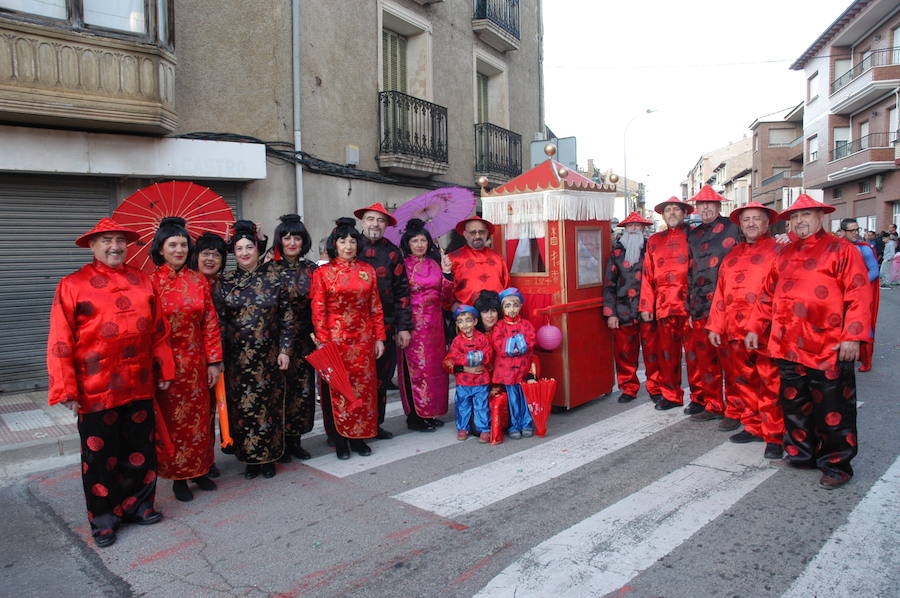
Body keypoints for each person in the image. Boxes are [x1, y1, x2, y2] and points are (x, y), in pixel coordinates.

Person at [47, 218, 175, 548]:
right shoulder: (72, 285)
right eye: (107, 240)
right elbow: (60, 340)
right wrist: (66, 388)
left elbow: (160, 331)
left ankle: (139, 506)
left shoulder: (143, 281)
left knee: (140, 452)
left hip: (139, 384)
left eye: (120, 240)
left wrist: (165, 370)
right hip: (95, 389)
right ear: (93, 245)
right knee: (99, 460)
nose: (114, 246)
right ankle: (104, 519)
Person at [745, 195, 871, 489]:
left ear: (820, 216)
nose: (800, 222)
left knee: (833, 407)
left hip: (828, 345)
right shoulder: (783, 253)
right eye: (795, 217)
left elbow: (858, 293)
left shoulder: (842, 250)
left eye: (807, 215)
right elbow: (766, 296)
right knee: (794, 404)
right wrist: (755, 327)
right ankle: (801, 454)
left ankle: (836, 465)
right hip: (787, 342)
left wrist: (852, 336)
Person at [148, 218, 223, 502]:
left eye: (183, 244)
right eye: (173, 245)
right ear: (161, 249)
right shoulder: (151, 283)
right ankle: (179, 476)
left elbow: (209, 323)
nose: (179, 250)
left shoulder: (198, 280)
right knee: (174, 423)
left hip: (197, 362)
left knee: (202, 420)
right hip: (166, 365)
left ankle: (201, 469)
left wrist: (214, 362)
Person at [215, 220, 295, 480]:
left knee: (269, 407)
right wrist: (218, 358)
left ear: (258, 249)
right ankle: (250, 459)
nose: (245, 252)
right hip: (236, 358)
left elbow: (287, 317)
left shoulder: (274, 279)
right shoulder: (225, 281)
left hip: (269, 356)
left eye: (250, 247)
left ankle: (270, 456)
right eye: (240, 249)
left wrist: (285, 350)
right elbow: (218, 322)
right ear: (233, 253)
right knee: (243, 409)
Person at [706, 203, 784, 460]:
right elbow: (721, 293)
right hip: (733, 329)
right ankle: (752, 424)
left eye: (756, 219)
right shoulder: (732, 255)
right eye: (746, 219)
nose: (751, 224)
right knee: (742, 380)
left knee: (770, 382)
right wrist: (716, 325)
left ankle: (774, 434)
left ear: (767, 223)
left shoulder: (779, 251)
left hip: (766, 330)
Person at [311, 218, 386, 460]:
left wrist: (379, 338)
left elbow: (375, 306)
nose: (348, 245)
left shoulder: (367, 271)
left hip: (363, 340)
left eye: (353, 241)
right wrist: (323, 341)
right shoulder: (323, 273)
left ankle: (359, 437)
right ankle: (340, 438)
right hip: (335, 340)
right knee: (338, 389)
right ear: (335, 244)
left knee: (363, 390)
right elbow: (318, 308)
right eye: (343, 241)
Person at [354, 202, 414, 440]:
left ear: (386, 225)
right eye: (370, 219)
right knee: (354, 379)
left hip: (386, 326)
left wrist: (404, 327)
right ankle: (348, 427)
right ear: (363, 221)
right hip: (352, 328)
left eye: (380, 220)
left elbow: (402, 292)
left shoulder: (392, 252)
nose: (375, 224)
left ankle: (375, 424)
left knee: (380, 379)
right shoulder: (349, 246)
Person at [684, 185, 741, 422]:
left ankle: (737, 409)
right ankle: (712, 403)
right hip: (699, 306)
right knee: (705, 360)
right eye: (701, 204)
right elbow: (689, 272)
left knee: (732, 361)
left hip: (727, 305)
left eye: (710, 204)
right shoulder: (693, 235)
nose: (706, 208)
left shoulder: (735, 228)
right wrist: (688, 307)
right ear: (697, 208)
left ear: (719, 206)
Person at [397, 219, 454, 432]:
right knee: (415, 371)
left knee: (434, 371)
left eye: (423, 240)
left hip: (435, 325)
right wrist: (402, 326)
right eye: (415, 240)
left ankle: (430, 412)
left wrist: (447, 274)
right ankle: (415, 416)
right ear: (407, 243)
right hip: (412, 325)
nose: (419, 244)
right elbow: (399, 295)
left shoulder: (435, 263)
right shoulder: (402, 265)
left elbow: (446, 296)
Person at [269, 214, 318, 461]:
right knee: (278, 391)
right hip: (275, 341)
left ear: (303, 241)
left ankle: (295, 440)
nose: (291, 242)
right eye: (286, 237)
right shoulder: (268, 269)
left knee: (303, 391)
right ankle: (277, 443)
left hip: (305, 339)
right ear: (279, 240)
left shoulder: (312, 270)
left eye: (296, 237)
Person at [639, 197, 693, 411]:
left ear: (684, 213)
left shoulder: (695, 237)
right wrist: (645, 306)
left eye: (676, 209)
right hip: (663, 306)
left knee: (696, 356)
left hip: (690, 306)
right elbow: (647, 274)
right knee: (667, 354)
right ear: (663, 215)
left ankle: (701, 398)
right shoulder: (654, 241)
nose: (672, 213)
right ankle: (671, 394)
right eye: (668, 210)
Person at [602, 211, 662, 404]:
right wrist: (610, 313)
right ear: (625, 229)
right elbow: (609, 285)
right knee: (625, 352)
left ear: (644, 229)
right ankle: (628, 386)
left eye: (638, 226)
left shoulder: (652, 251)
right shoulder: (616, 254)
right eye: (631, 226)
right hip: (623, 310)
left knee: (653, 351)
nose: (634, 229)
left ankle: (655, 387)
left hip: (648, 310)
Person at [190, 231, 228, 478]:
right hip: (197, 358)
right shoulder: (189, 283)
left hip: (227, 356)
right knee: (201, 413)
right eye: (206, 254)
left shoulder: (227, 283)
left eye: (216, 254)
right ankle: (202, 459)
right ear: (196, 256)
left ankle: (221, 449)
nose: (211, 259)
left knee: (222, 407)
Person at [444, 305, 494, 442]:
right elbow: (454, 358)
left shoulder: (482, 338)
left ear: (475, 322)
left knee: (481, 405)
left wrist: (480, 357)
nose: (465, 324)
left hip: (481, 381)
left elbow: (488, 353)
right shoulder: (456, 342)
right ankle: (463, 428)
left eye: (468, 320)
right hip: (464, 381)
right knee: (462, 405)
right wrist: (471, 359)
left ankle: (484, 428)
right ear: (457, 324)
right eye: (460, 321)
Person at [492, 288, 536, 438]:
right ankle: (514, 425)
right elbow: (498, 344)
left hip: (523, 369)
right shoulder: (499, 326)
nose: (512, 309)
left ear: (520, 306)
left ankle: (527, 422)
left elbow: (530, 340)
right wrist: (515, 345)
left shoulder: (526, 325)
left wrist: (519, 345)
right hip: (507, 371)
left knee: (525, 397)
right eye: (508, 305)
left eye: (515, 305)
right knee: (513, 399)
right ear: (502, 308)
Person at [837, 218, 880, 372]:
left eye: (857, 230)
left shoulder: (864, 249)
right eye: (852, 230)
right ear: (843, 232)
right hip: (839, 295)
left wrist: (856, 287)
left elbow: (874, 271)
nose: (856, 233)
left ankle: (866, 361)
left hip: (859, 294)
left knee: (864, 325)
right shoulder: (838, 247)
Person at [449, 216, 510, 307]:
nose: (477, 236)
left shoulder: (497, 258)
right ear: (465, 234)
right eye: (473, 232)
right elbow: (446, 288)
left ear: (487, 233)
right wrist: (453, 305)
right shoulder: (453, 258)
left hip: (494, 312)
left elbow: (506, 285)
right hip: (466, 314)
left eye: (481, 232)